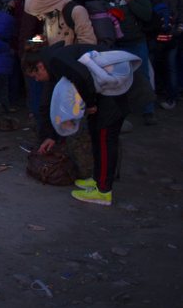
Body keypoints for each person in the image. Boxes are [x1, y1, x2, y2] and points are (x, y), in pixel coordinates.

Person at [24, 43, 152, 206]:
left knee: (106, 139)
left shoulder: (56, 60)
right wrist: (50, 136)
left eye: (35, 75)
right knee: (97, 134)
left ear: (40, 66)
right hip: (107, 91)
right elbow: (47, 102)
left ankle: (104, 191)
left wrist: (90, 104)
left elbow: (82, 76)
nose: (37, 80)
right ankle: (98, 179)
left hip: (119, 91)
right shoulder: (53, 63)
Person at [103, 0, 156, 125]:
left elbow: (147, 15)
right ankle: (123, 110)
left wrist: (131, 2)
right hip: (117, 43)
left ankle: (148, 110)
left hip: (136, 41)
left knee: (142, 76)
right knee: (119, 78)